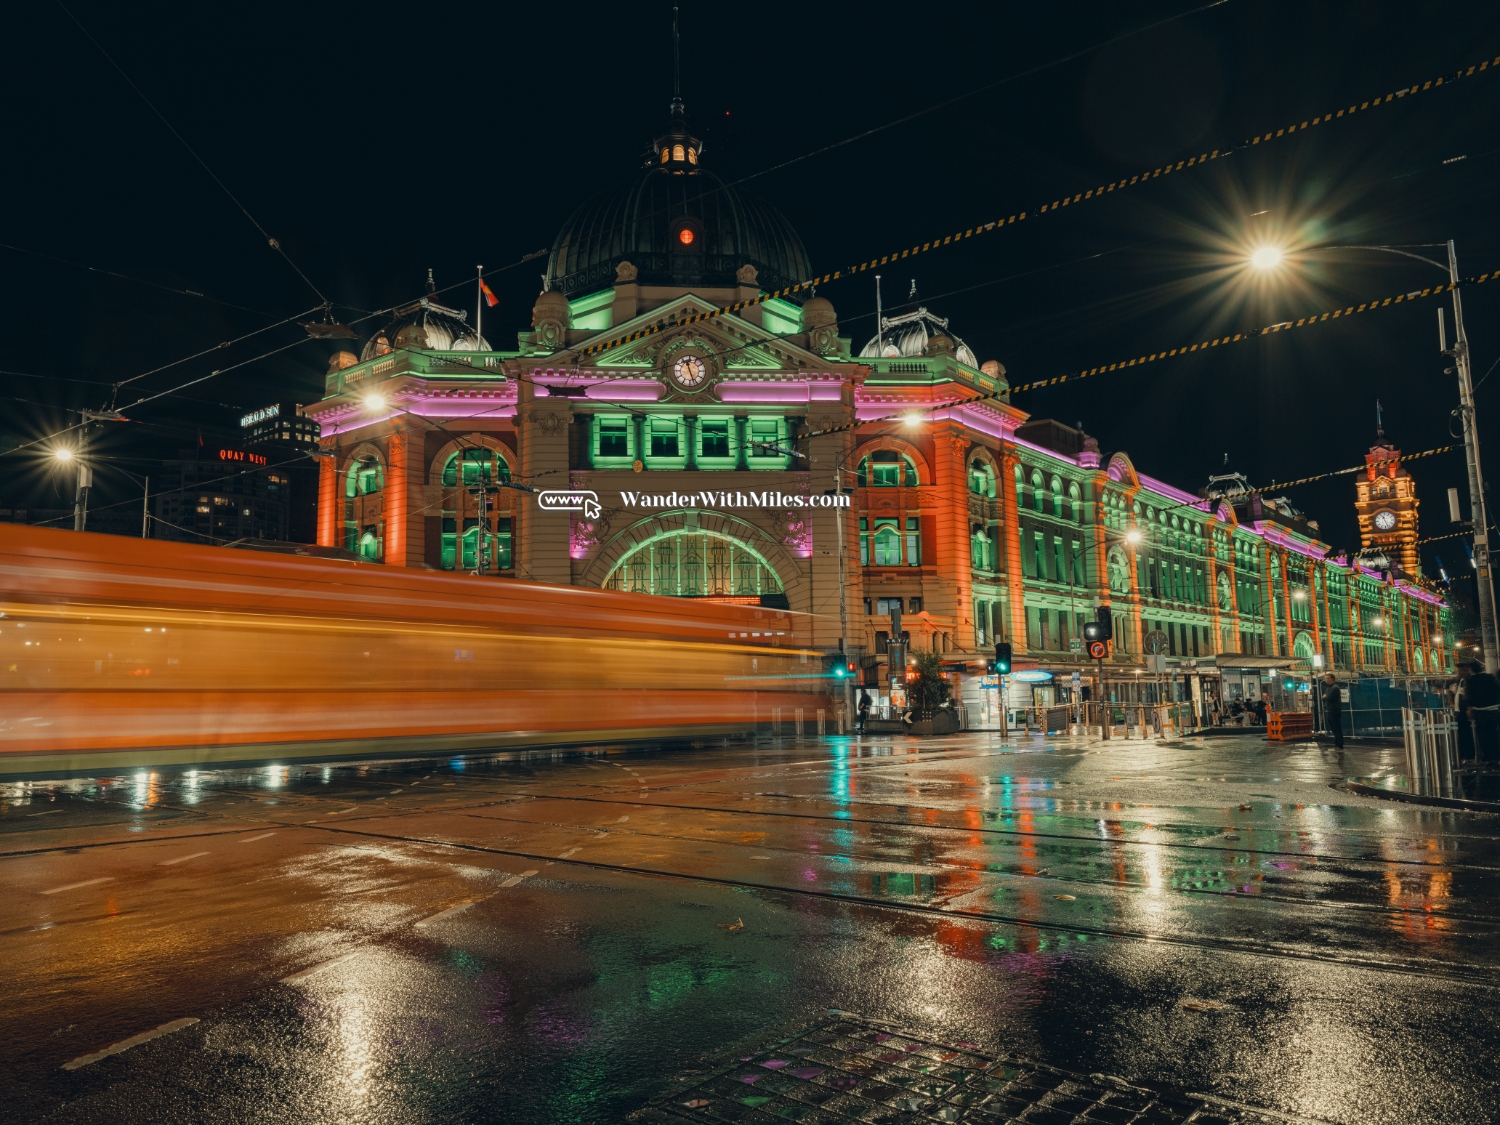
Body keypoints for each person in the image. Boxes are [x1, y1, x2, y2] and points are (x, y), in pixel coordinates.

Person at [1457, 660, 1500, 764]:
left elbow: (1468, 696)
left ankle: (1487, 758)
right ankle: (1496, 756)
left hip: (1480, 711)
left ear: (1470, 669)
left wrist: (1469, 707)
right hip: (1494, 709)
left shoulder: (1470, 680)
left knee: (1483, 735)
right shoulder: (1490, 677)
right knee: (1494, 733)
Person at [1321, 673, 1344, 750]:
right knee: (1333, 727)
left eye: (1327, 678)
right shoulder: (1329, 688)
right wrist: (1325, 697)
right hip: (1330, 709)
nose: (1325, 680)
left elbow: (1328, 698)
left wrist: (1325, 697)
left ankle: (1340, 743)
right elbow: (1324, 698)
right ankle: (1337, 741)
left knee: (1337, 727)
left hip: (1334, 710)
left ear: (1332, 679)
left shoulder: (1335, 688)